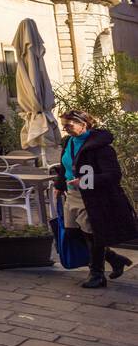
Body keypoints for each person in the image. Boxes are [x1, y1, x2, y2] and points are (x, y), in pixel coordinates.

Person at [57, 109, 137, 288]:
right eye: (64, 126)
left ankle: (97, 274)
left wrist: (84, 181)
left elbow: (114, 175)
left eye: (69, 125)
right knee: (72, 233)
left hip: (93, 197)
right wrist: (59, 185)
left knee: (92, 235)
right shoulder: (69, 142)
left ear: (83, 124)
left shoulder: (101, 147)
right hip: (72, 194)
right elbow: (65, 166)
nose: (66, 129)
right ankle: (114, 259)